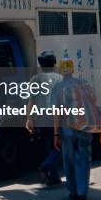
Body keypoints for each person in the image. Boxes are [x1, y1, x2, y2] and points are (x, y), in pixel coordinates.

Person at [52, 59, 94, 200]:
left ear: (60, 71)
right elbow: (93, 103)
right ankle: (83, 193)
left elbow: (56, 113)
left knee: (68, 160)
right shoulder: (83, 84)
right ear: (72, 70)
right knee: (83, 160)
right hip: (83, 127)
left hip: (67, 129)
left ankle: (73, 191)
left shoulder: (57, 88)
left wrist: (55, 134)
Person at [26, 51, 63, 186]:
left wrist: (29, 119)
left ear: (40, 65)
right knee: (61, 146)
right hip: (56, 117)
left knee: (49, 147)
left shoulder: (35, 79)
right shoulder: (60, 79)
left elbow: (31, 101)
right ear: (54, 64)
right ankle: (45, 166)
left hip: (40, 119)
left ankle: (54, 178)